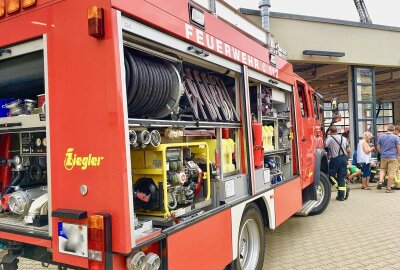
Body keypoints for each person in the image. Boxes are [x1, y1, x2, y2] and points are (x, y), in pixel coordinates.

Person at [325, 126, 351, 201]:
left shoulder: (330, 138)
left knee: (330, 176)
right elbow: (349, 150)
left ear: (330, 132)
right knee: (341, 178)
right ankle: (341, 196)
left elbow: (324, 146)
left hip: (335, 159)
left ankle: (341, 189)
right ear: (336, 131)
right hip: (344, 159)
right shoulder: (344, 138)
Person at [377, 124, 400, 193]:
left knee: (382, 169)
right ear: (393, 130)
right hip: (393, 157)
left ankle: (381, 181)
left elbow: (378, 146)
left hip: (383, 156)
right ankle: (388, 188)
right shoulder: (396, 137)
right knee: (391, 172)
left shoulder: (381, 136)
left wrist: (381, 152)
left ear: (387, 129)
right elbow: (398, 148)